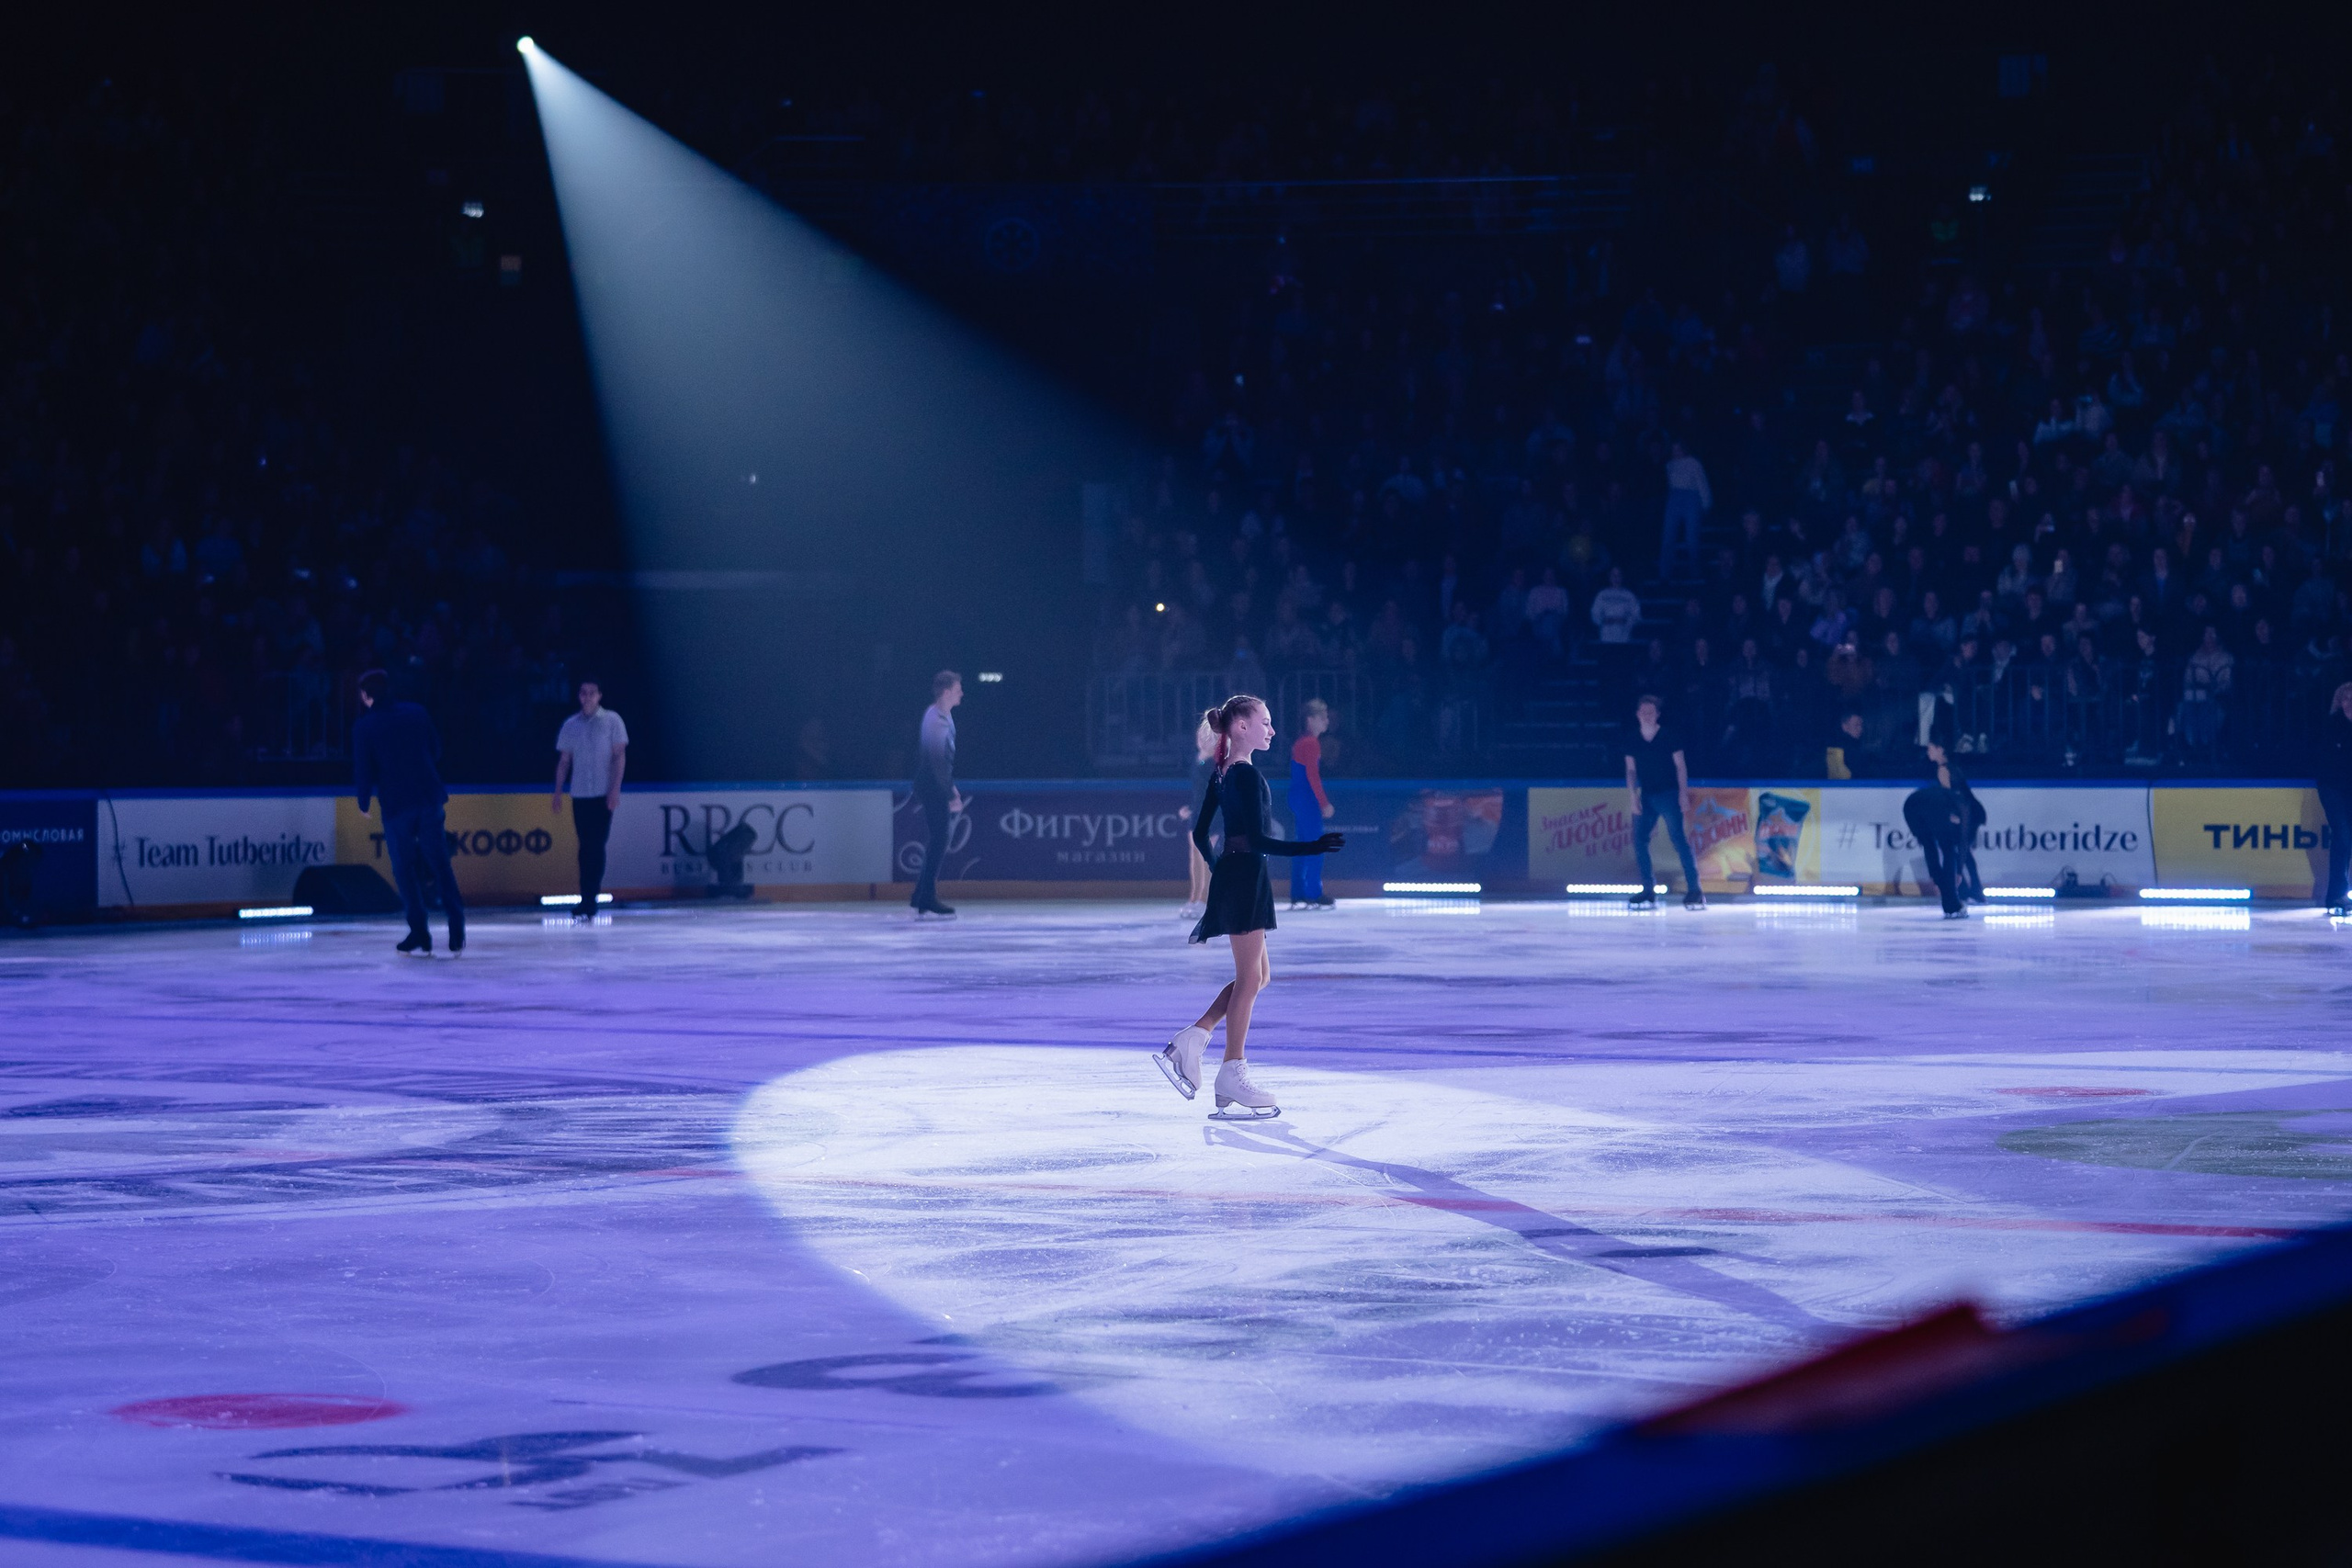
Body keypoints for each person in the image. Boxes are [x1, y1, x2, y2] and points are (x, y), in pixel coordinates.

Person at [1153, 694, 1345, 1118]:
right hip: (1245, 879)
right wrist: (1312, 846)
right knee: (1248, 978)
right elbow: (1255, 841)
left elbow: (1202, 834)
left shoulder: (1222, 772)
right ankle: (1231, 1070)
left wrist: (1220, 866)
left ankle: (1196, 1038)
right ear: (1241, 727)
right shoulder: (1244, 776)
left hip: (1239, 877)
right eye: (1266, 722)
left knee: (1258, 976)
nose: (1272, 730)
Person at [352, 669, 464, 955]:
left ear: (366, 696)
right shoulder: (417, 713)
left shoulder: (365, 726)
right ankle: (456, 922)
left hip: (397, 804)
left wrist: (363, 802)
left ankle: (419, 931)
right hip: (427, 797)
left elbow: (365, 770)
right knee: (439, 862)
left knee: (404, 869)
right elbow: (436, 750)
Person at [551, 678, 628, 920]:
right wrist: (557, 792)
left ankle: (590, 898)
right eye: (584, 693)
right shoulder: (571, 725)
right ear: (579, 696)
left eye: (592, 693)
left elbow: (619, 756)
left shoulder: (612, 720)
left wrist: (614, 790)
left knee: (596, 845)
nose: (588, 697)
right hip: (581, 794)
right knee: (586, 847)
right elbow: (564, 761)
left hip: (602, 794)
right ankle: (586, 898)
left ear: (599, 695)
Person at [1623, 694, 1704, 910]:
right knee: (1639, 840)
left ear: (1658, 714)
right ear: (1637, 714)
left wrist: (1683, 793)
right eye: (1644, 711)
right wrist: (1633, 797)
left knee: (1678, 839)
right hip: (1647, 795)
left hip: (1669, 794)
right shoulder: (1632, 738)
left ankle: (1695, 890)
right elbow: (1631, 770)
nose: (1647, 715)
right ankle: (1648, 890)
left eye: (1651, 712)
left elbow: (1680, 766)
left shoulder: (1669, 736)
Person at [910, 670, 964, 918]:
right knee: (940, 839)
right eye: (957, 689)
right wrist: (950, 793)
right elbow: (937, 761)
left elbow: (943, 762)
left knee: (938, 839)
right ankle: (926, 896)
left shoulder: (943, 716)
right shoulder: (935, 719)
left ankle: (922, 895)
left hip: (935, 785)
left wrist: (950, 788)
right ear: (946, 692)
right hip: (932, 786)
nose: (961, 693)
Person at [1904, 743, 1971, 919]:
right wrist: (1958, 872)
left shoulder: (1949, 801)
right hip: (1920, 807)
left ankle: (1946, 895)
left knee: (1931, 844)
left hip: (1911, 806)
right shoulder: (1961, 808)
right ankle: (1951, 903)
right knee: (1948, 849)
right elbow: (1961, 845)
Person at [1287, 698, 1337, 910]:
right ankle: (1313, 893)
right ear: (1311, 720)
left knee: (1303, 845)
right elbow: (1312, 776)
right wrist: (1324, 803)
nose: (1327, 720)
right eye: (1322, 717)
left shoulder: (1302, 742)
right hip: (1306, 799)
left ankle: (1298, 892)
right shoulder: (1310, 743)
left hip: (1298, 797)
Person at [2320, 682, 2352, 917]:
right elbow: (2326, 762)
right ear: (2340, 702)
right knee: (2342, 835)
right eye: (2346, 699)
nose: (2350, 703)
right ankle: (2336, 895)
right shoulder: (2331, 726)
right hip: (2334, 788)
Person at [1181, 716, 1216, 920]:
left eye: (1207, 736)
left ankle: (1205, 901)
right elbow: (1198, 792)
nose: (1202, 739)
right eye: (1201, 735)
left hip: (1211, 815)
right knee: (1194, 855)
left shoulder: (1214, 762)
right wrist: (1191, 808)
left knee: (1205, 859)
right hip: (1197, 813)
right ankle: (1194, 898)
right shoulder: (1199, 759)